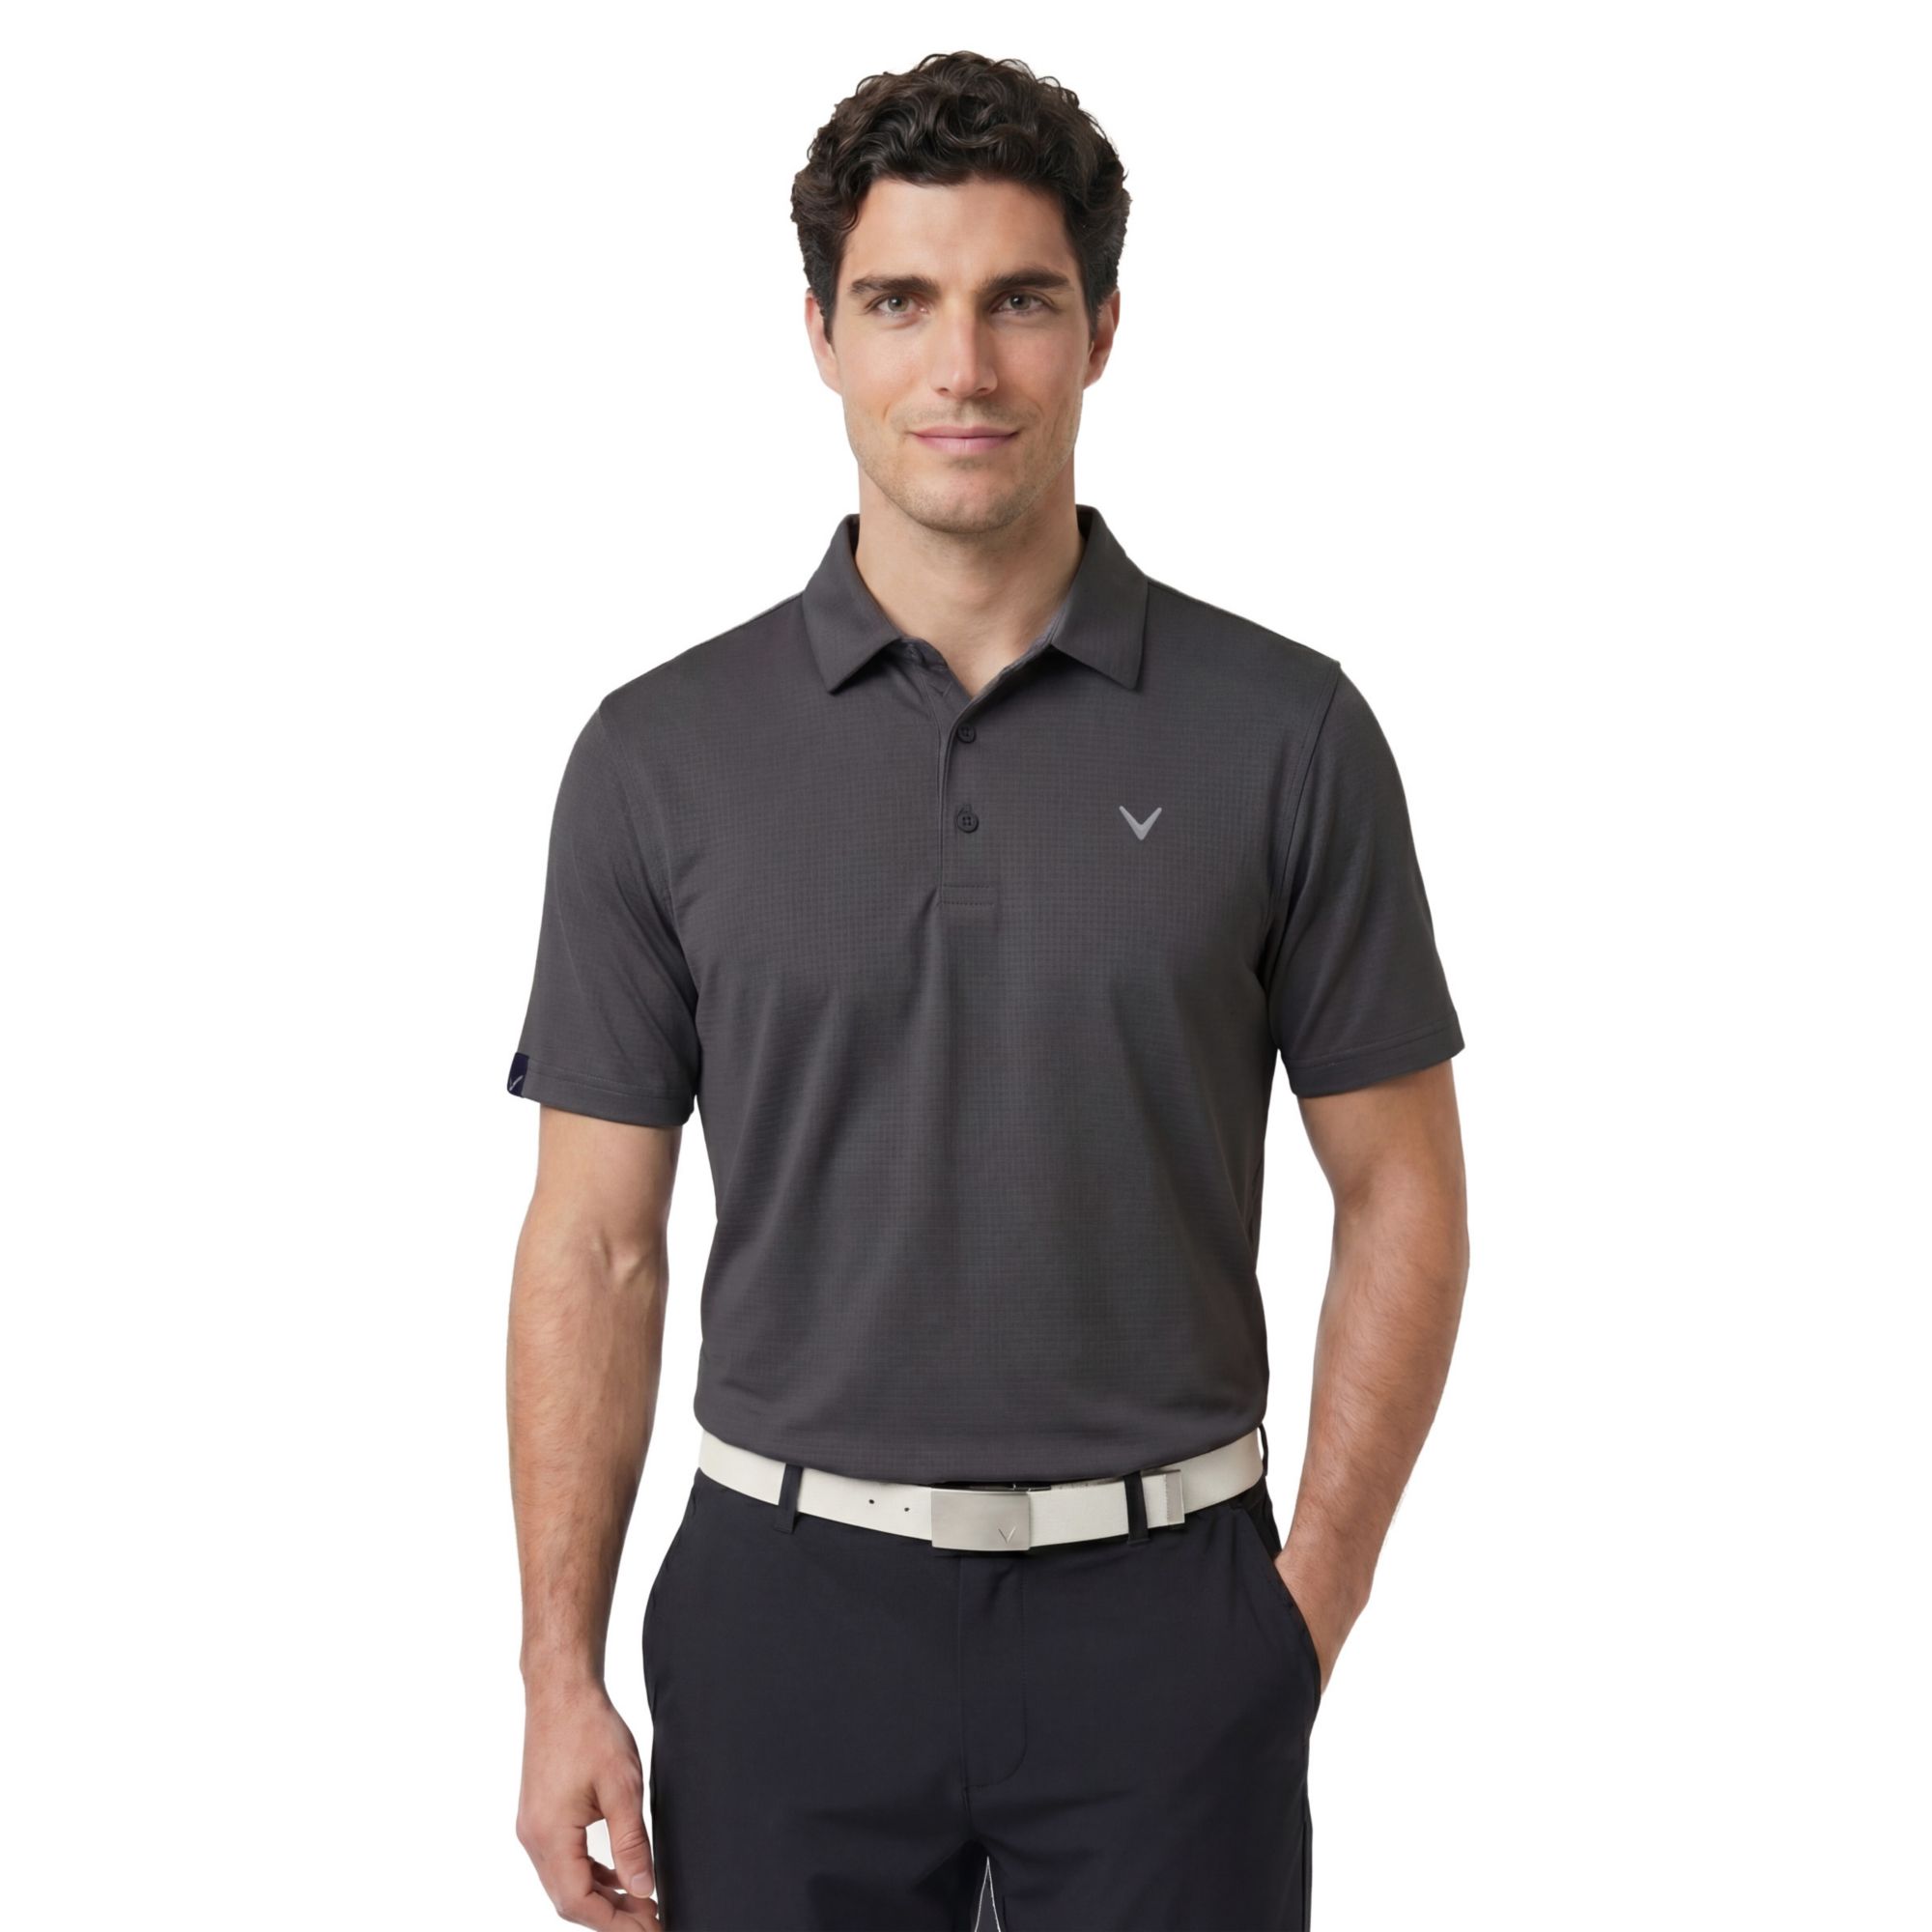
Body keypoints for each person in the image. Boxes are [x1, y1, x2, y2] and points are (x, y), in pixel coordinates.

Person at [505, 49, 1469, 1932]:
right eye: (900, 302)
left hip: (1169, 1610)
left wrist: (1305, 1607)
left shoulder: (1286, 733)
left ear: (1101, 328)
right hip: (783, 1613)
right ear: (819, 333)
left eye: (1019, 301)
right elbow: (595, 1246)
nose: (961, 367)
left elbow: (1405, 1191)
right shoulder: (658, 757)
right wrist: (557, 1667)